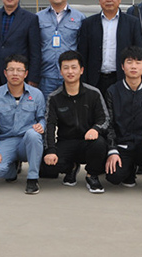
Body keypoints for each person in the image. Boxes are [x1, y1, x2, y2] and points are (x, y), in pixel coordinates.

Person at [41, 50, 110, 194]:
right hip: (66, 142)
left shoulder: (94, 93)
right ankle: (71, 167)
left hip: (88, 141)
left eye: (74, 67)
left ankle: (92, 175)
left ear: (81, 70)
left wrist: (96, 129)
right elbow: (49, 125)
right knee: (48, 167)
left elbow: (104, 119)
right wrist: (51, 150)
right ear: (60, 71)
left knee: (99, 144)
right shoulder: (54, 97)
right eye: (66, 68)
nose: (70, 71)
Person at [103, 46, 142, 197]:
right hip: (123, 144)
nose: (133, 66)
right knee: (114, 177)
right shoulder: (112, 91)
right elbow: (109, 124)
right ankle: (129, 170)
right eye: (129, 62)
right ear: (122, 66)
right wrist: (112, 150)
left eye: (138, 62)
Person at [0, 54, 46, 194]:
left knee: (34, 135)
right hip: (6, 140)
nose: (15, 73)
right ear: (5, 73)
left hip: (27, 141)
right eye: (11, 70)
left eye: (19, 70)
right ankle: (12, 168)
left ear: (26, 73)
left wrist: (41, 125)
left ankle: (32, 179)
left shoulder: (37, 94)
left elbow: (43, 118)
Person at [78, 0, 142, 98]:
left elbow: (138, 52)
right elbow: (82, 53)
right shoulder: (88, 23)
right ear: (99, 0)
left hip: (122, 78)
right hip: (95, 80)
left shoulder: (132, 23)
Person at [37, 0, 85, 98]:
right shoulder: (38, 18)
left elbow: (82, 46)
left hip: (70, 75)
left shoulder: (79, 17)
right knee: (47, 107)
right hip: (46, 76)